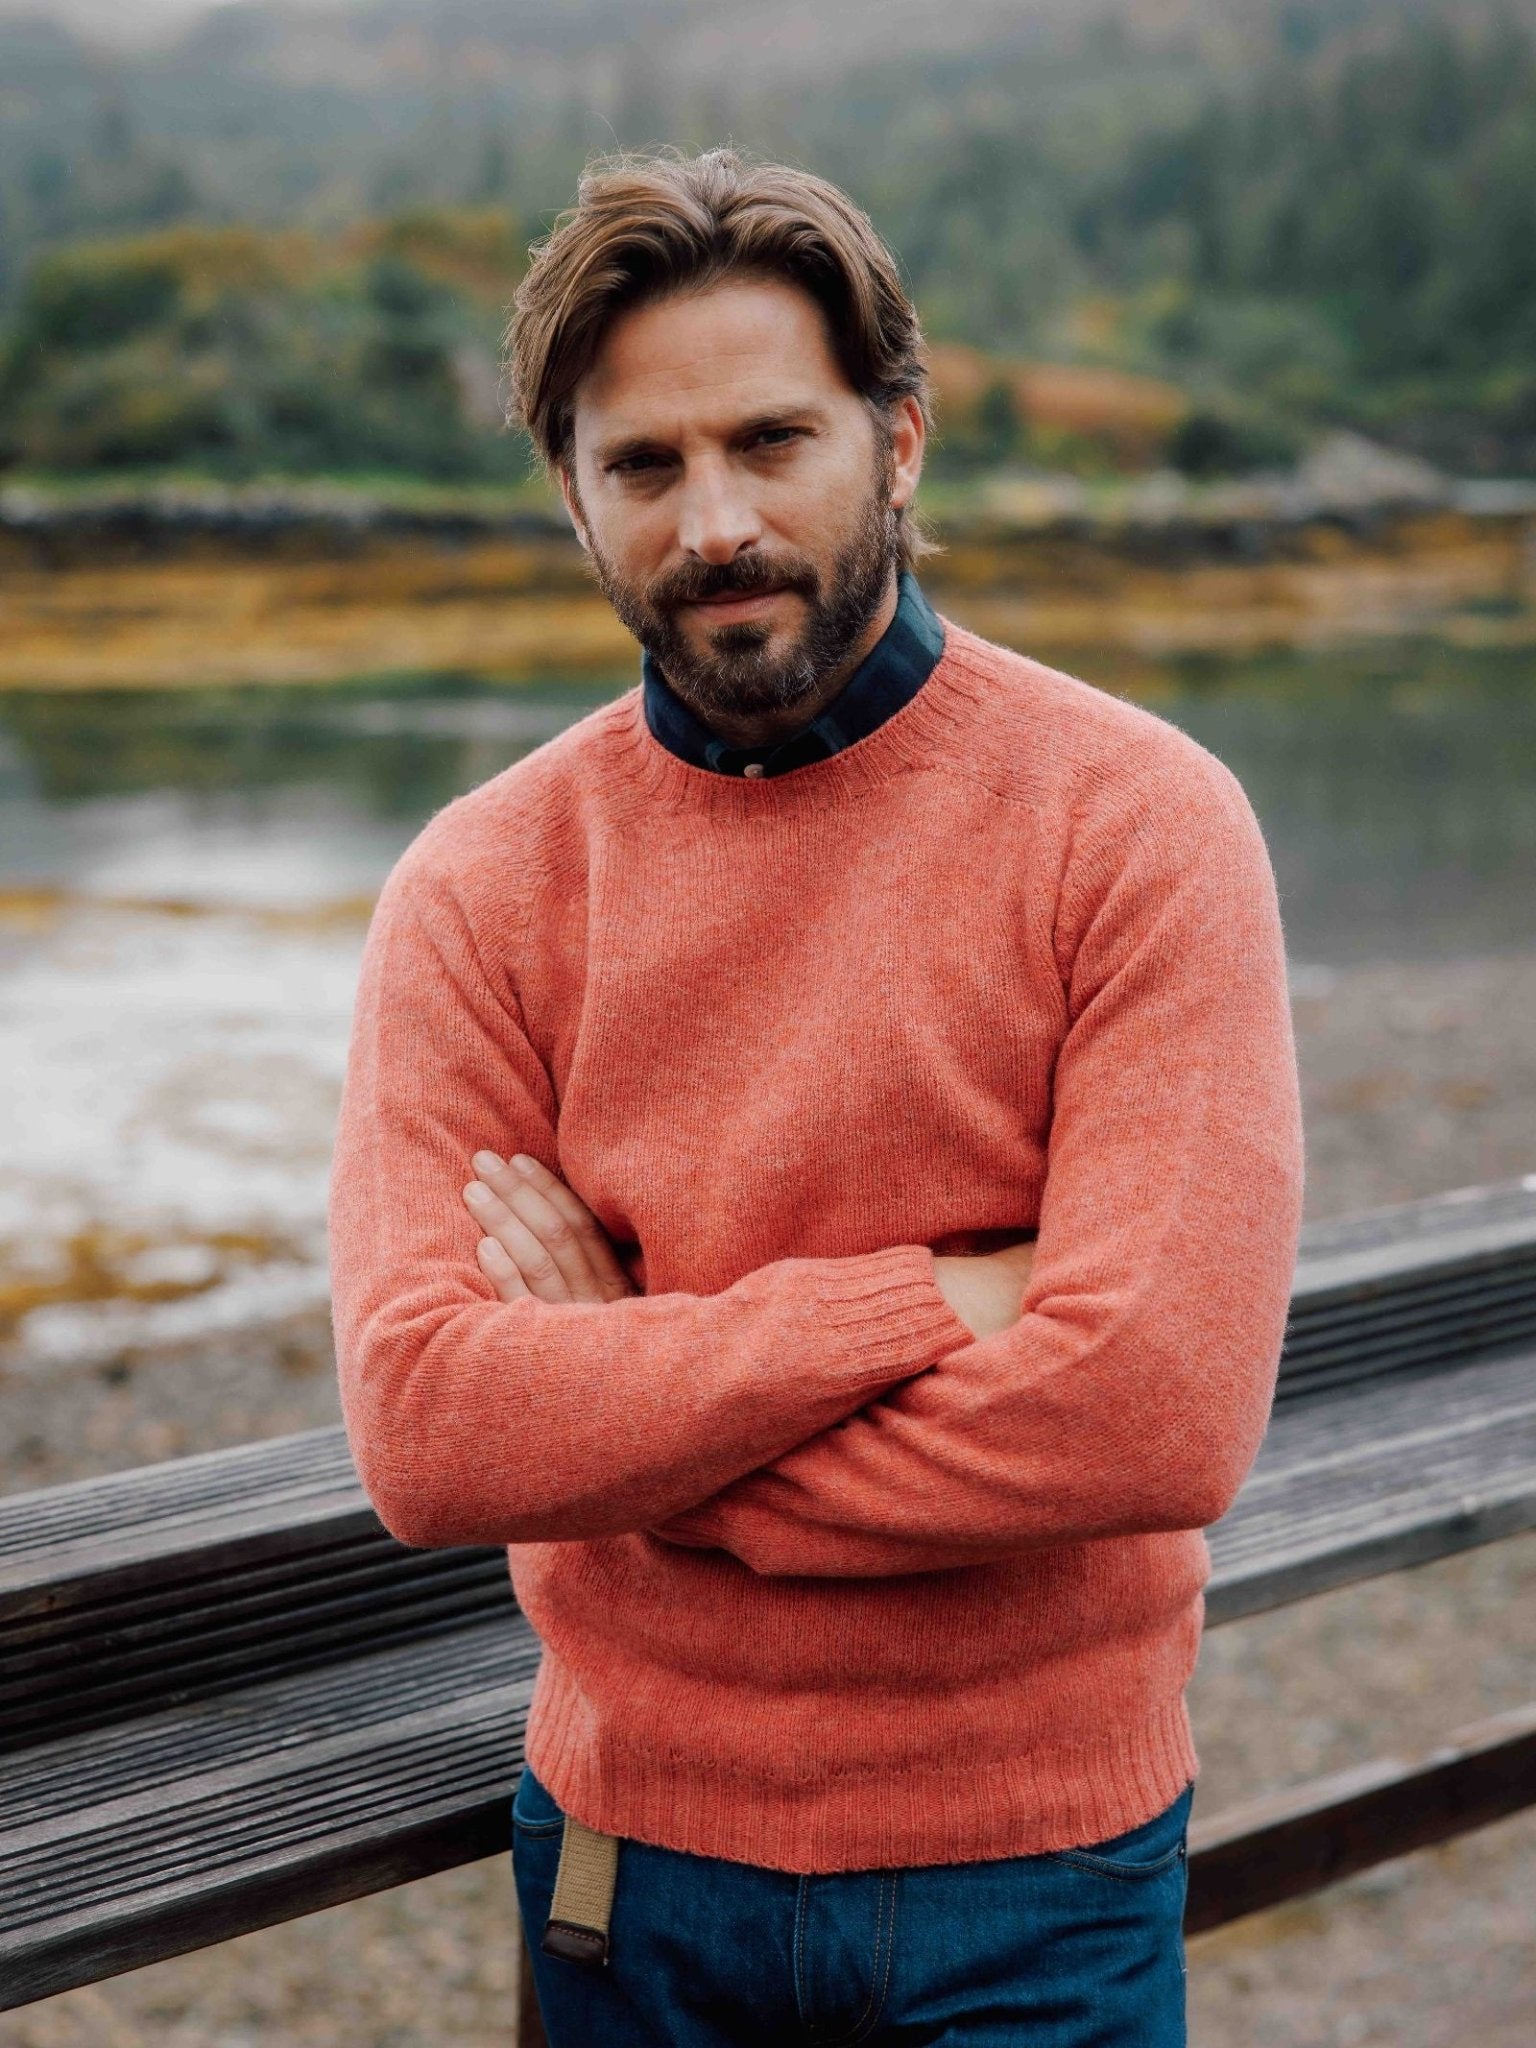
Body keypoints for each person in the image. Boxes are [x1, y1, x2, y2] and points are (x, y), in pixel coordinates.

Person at [327, 147, 1304, 2046]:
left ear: (902, 443)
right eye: (646, 465)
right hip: (630, 1882)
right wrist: (936, 1300)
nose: (716, 524)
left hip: (1038, 1886)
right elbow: (434, 1434)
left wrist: (637, 1410)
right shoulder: (482, 882)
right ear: (572, 497)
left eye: (774, 440)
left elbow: (1155, 1417)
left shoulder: (1136, 824)